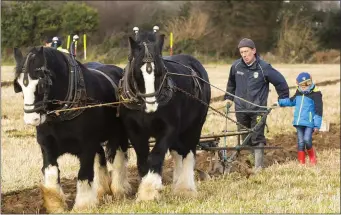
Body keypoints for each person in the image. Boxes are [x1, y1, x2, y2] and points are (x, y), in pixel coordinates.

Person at [224, 38, 289, 171]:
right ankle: (251, 158)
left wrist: (283, 98)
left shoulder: (263, 67)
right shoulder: (236, 66)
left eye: (246, 51)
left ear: (253, 51)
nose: (244, 55)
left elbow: (280, 82)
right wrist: (229, 98)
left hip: (258, 109)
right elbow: (231, 83)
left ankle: (258, 167)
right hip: (241, 109)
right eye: (241, 52)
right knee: (244, 134)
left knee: (257, 135)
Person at [275, 72, 322, 165]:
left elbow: (318, 110)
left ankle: (312, 156)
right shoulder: (298, 92)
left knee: (307, 140)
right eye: (302, 85)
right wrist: (280, 102)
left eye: (307, 84)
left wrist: (317, 124)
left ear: (310, 82)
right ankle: (301, 162)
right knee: (300, 142)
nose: (305, 87)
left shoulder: (316, 94)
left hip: (309, 122)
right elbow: (291, 101)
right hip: (299, 122)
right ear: (298, 84)